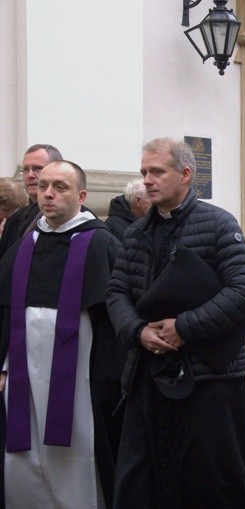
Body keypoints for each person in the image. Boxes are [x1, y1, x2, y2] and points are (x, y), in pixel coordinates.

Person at [105, 138, 245, 508]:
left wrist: (185, 327)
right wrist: (138, 331)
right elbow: (116, 293)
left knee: (214, 481)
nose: (148, 180)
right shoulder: (135, 233)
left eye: (157, 171)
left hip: (208, 380)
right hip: (147, 374)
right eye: (144, 172)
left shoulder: (217, 223)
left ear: (185, 174)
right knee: (141, 479)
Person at [0, 160, 124, 508]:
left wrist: (107, 378)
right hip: (23, 371)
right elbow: (5, 309)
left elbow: (113, 317)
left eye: (60, 187)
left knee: (76, 444)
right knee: (26, 448)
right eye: (43, 186)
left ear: (82, 195)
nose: (48, 194)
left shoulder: (101, 244)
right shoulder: (24, 245)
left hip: (80, 376)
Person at [0, 144, 63, 259]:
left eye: (37, 168)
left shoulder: (74, 217)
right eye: (25, 169)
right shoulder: (15, 220)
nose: (30, 175)